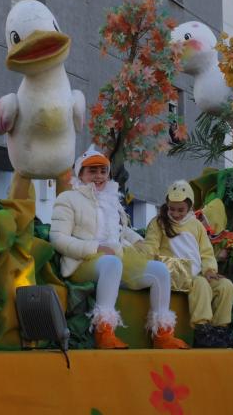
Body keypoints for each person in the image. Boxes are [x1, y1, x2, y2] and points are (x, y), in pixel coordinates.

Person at [50, 147, 189, 349]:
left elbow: (120, 230)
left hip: (114, 258)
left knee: (160, 271)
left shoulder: (111, 199)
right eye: (92, 171)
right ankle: (104, 332)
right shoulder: (68, 199)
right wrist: (95, 247)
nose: (99, 176)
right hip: (82, 262)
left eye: (103, 171)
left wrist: (137, 240)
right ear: (80, 173)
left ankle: (162, 335)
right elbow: (58, 238)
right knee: (112, 263)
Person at [143, 181, 233, 348]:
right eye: (172, 209)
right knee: (200, 283)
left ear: (190, 207)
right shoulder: (158, 223)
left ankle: (220, 330)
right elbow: (150, 248)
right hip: (171, 272)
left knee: (225, 286)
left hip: (195, 272)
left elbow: (206, 253)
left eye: (180, 210)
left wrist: (209, 270)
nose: (176, 213)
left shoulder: (197, 226)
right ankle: (202, 330)